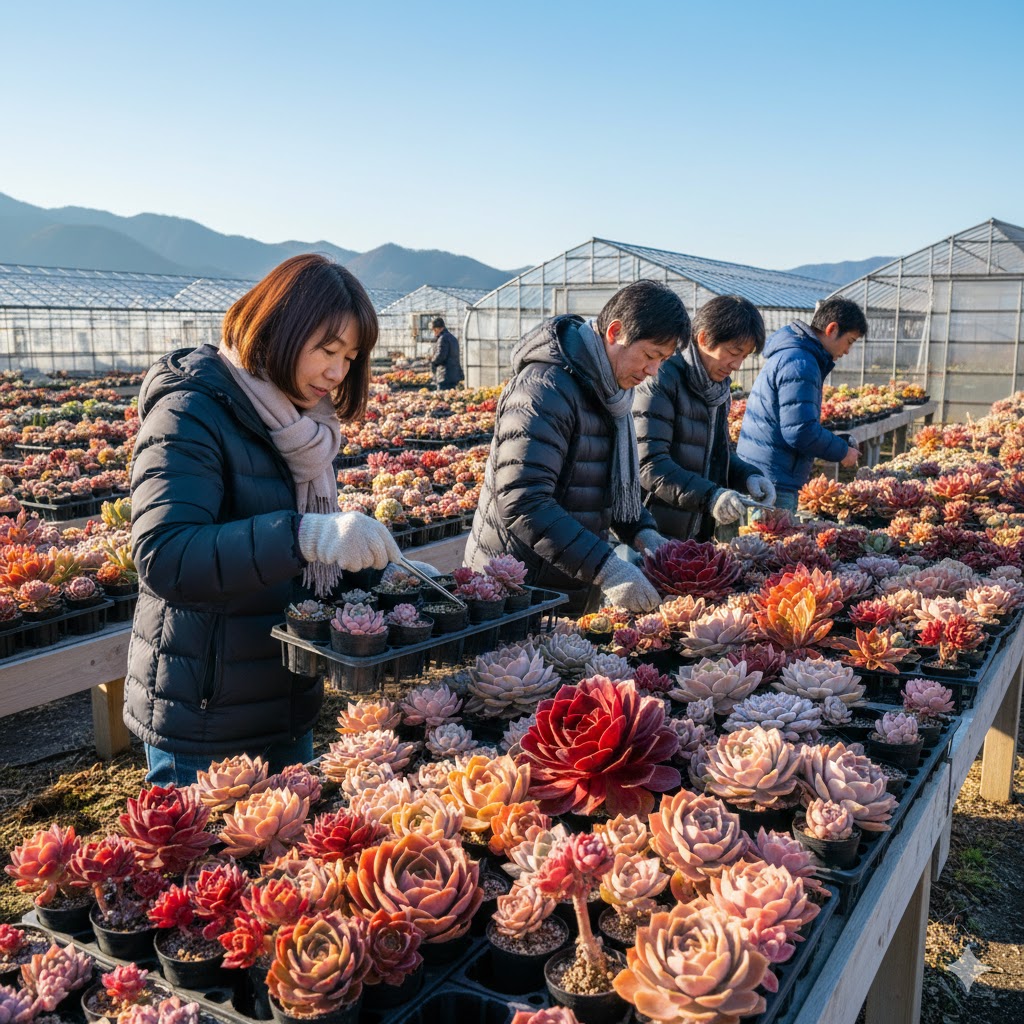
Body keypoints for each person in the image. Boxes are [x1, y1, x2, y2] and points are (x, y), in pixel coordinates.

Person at [124, 254, 404, 787]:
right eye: (327, 350)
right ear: (279, 327)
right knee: (203, 843)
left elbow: (306, 569)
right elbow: (166, 556)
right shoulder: (190, 411)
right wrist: (305, 535)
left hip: (286, 701)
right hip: (204, 717)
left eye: (350, 357)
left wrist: (385, 576)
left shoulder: (302, 425)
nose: (338, 373)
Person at [465, 280, 690, 615]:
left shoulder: (611, 394)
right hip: (517, 588)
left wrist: (642, 532)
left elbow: (598, 485)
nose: (653, 370)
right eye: (649, 355)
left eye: (663, 360)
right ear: (615, 332)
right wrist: (605, 567)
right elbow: (523, 500)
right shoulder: (545, 388)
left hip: (566, 578)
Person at [634, 295, 774, 541]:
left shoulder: (717, 389)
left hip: (696, 528)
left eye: (744, 356)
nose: (737, 365)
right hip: (654, 528)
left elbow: (718, 453)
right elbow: (649, 464)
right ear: (703, 339)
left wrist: (748, 477)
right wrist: (710, 497)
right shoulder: (662, 377)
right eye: (734, 352)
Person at [736, 297, 867, 512]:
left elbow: (796, 423)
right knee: (771, 533)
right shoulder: (801, 362)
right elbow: (799, 431)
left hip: (766, 470)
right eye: (850, 341)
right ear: (832, 329)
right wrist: (843, 451)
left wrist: (838, 442)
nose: (847, 351)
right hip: (773, 480)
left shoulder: (795, 354)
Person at [430, 317, 464, 389]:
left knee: (442, 394)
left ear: (440, 328)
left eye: (434, 330)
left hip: (445, 375)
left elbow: (441, 356)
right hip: (454, 374)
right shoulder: (453, 338)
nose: (434, 332)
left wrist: (433, 361)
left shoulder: (443, 338)